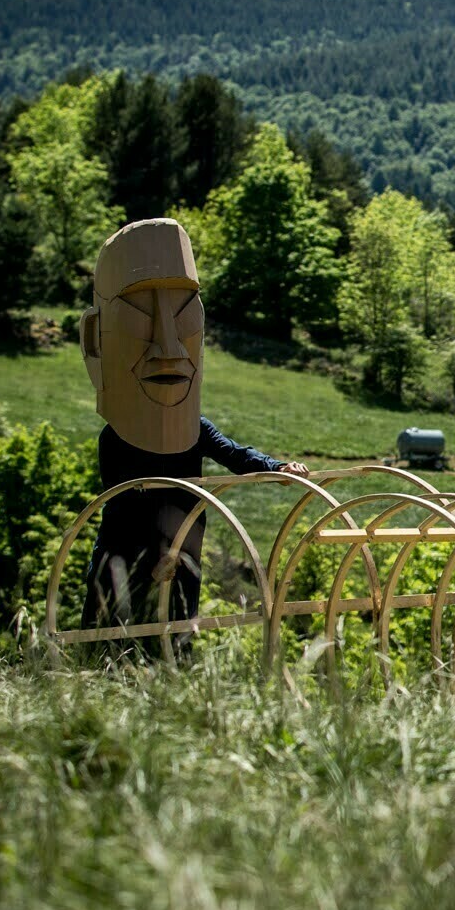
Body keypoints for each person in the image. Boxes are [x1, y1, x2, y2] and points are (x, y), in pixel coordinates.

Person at [75, 218, 309, 656]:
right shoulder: (116, 438)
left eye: (185, 313)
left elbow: (234, 455)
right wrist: (155, 556)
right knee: (110, 650)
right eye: (141, 313)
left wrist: (277, 467)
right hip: (124, 565)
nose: (168, 345)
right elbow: (128, 501)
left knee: (174, 650)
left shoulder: (194, 430)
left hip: (182, 562)